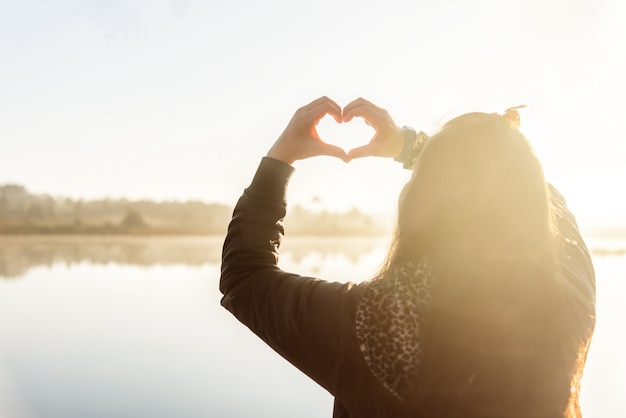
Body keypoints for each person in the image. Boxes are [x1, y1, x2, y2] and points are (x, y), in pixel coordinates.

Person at [220, 96, 596, 417]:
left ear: (422, 203)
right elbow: (541, 200)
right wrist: (412, 145)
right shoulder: (568, 288)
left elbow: (245, 277)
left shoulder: (385, 321)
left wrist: (281, 158)